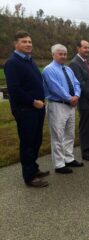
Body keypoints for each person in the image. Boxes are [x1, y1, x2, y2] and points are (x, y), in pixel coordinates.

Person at [4, 31, 49, 187]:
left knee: (36, 140)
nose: (28, 44)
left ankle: (33, 168)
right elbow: (14, 89)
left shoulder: (29, 61)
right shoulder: (13, 63)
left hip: (38, 108)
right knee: (28, 142)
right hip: (26, 110)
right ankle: (29, 177)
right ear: (16, 44)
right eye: (24, 42)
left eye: (30, 41)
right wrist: (32, 102)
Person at [42, 44, 83, 174]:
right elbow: (55, 88)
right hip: (58, 105)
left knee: (70, 134)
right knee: (58, 136)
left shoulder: (68, 69)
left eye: (65, 54)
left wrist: (76, 95)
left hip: (71, 105)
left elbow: (77, 83)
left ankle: (69, 158)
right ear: (53, 54)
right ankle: (59, 164)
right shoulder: (49, 70)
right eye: (60, 54)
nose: (63, 56)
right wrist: (70, 98)